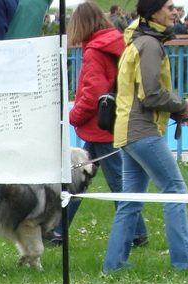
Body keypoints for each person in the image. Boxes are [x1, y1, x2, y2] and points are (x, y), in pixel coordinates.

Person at [101, 0, 188, 273]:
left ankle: (114, 265)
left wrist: (174, 112)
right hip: (142, 131)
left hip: (128, 131)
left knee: (130, 202)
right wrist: (181, 105)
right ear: (153, 12)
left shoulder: (138, 40)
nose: (175, 12)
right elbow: (152, 94)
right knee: (175, 190)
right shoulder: (150, 45)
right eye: (169, 7)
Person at [47, 1, 147, 248]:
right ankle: (57, 228)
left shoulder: (93, 51)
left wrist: (74, 116)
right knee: (84, 177)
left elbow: (93, 92)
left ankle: (135, 232)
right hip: (111, 122)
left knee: (103, 180)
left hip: (97, 125)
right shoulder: (117, 43)